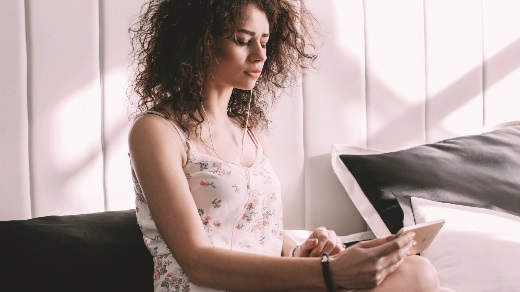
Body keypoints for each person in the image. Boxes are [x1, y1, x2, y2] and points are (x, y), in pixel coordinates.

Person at [128, 0, 444, 291]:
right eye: (243, 40)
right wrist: (329, 273)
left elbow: (257, 230)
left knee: (416, 271)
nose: (260, 55)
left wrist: (299, 251)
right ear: (197, 41)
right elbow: (197, 263)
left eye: (264, 42)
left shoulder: (249, 131)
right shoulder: (157, 131)